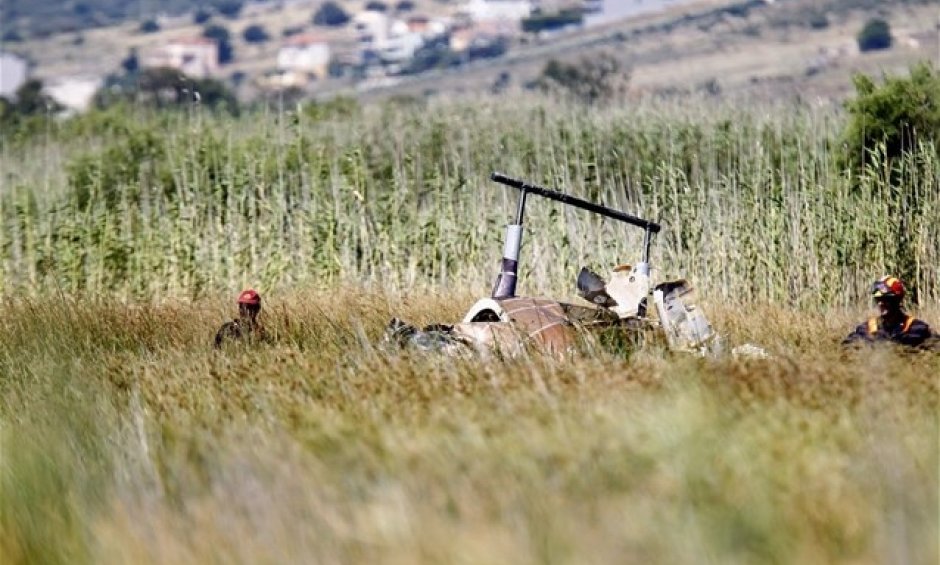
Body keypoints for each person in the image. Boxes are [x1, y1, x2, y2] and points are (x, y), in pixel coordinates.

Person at [842, 275, 933, 349]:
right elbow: (844, 353)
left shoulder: (917, 328)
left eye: (886, 299)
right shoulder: (866, 329)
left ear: (897, 300)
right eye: (878, 299)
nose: (881, 303)